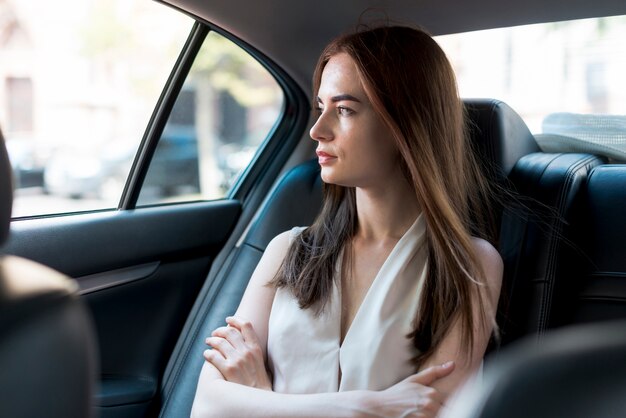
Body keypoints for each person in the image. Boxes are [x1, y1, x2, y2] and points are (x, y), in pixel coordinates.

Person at [191, 24, 503, 418]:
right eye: (321, 108)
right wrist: (364, 407)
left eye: (344, 110)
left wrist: (258, 394)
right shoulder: (287, 250)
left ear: (405, 123)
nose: (317, 130)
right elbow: (206, 404)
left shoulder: (468, 265)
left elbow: (427, 412)